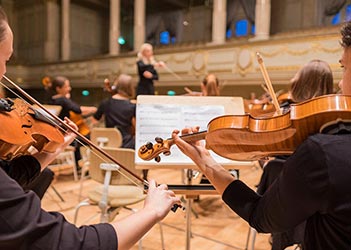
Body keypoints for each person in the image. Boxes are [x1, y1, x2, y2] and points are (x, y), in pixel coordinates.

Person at [0, 7, 181, 250]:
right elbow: (62, 243)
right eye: (5, 59)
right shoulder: (130, 107)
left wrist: (51, 151)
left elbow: (8, 181)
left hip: (103, 162)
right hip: (128, 156)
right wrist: (151, 211)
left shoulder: (106, 103)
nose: (4, 72)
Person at [171, 22, 351, 250]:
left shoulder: (323, 154)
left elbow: (260, 215)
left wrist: (205, 161)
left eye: (344, 68)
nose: (339, 82)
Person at [256, 59, 334, 250]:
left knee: (275, 171)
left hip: (279, 208)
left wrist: (266, 162)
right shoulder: (332, 120)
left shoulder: (285, 113)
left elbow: (266, 155)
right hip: (321, 210)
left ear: (301, 83)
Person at [92, 74, 136, 149]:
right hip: (127, 145)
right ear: (130, 88)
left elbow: (94, 122)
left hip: (109, 144)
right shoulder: (132, 106)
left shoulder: (105, 103)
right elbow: (136, 129)